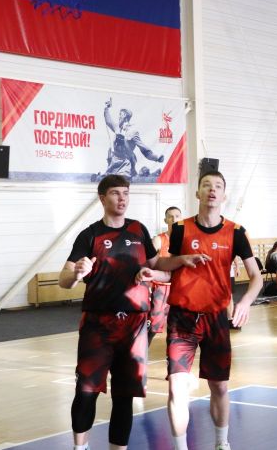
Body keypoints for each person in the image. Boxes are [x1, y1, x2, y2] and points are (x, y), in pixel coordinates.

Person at [58, 175, 203, 450]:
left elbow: (157, 264)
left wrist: (180, 260)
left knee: (124, 396)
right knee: (86, 392)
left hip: (135, 326)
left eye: (125, 193)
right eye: (115, 193)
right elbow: (63, 280)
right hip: (98, 326)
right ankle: (80, 447)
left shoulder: (138, 230)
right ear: (102, 198)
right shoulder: (90, 235)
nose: (122, 198)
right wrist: (77, 273)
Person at [136, 170, 263, 450]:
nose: (212, 190)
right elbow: (168, 269)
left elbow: (256, 277)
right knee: (177, 388)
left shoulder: (236, 232)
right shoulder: (181, 229)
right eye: (206, 185)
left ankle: (221, 443)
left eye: (218, 186)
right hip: (182, 318)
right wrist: (156, 272)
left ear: (224, 195)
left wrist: (244, 302)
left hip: (216, 318)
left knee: (219, 386)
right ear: (198, 193)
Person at [103, 98, 165, 180]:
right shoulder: (117, 128)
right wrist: (106, 108)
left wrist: (156, 158)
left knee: (121, 182)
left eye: (120, 114)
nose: (118, 117)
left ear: (125, 116)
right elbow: (108, 121)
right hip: (113, 164)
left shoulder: (133, 132)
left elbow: (144, 149)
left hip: (125, 165)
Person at [149, 206, 183, 343]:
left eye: (177, 216)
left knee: (178, 324)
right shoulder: (159, 239)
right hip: (161, 287)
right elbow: (147, 260)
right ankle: (140, 350)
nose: (174, 219)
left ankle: (176, 352)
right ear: (165, 220)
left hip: (179, 286)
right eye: (170, 216)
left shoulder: (185, 239)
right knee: (154, 324)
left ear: (181, 218)